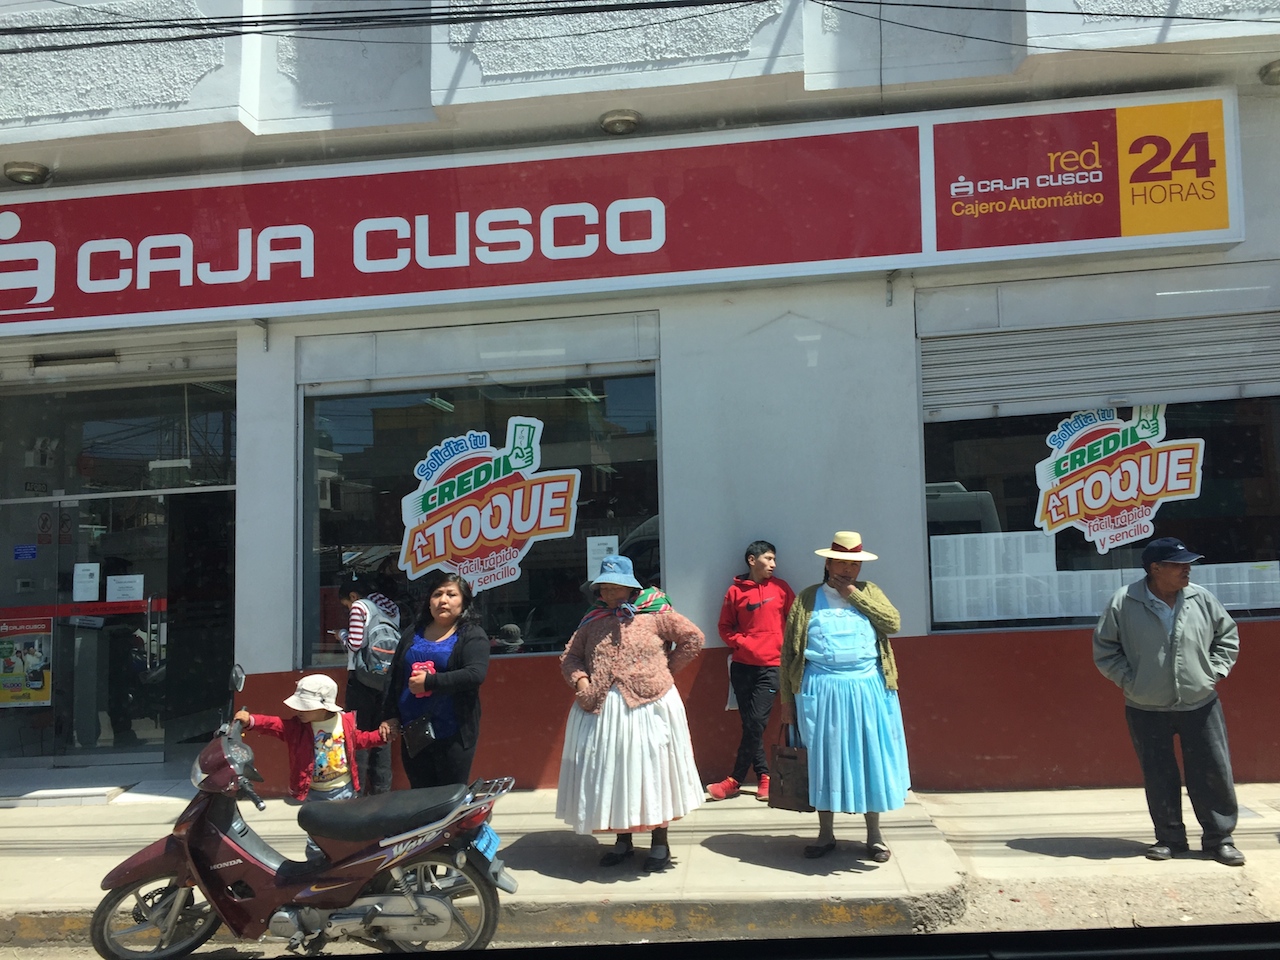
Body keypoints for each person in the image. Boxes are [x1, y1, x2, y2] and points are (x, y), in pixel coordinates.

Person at [1092, 537, 1244, 866]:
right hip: (1145, 706)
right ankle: (1170, 838)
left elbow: (1227, 636)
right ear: (1155, 568)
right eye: (1179, 564)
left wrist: (1212, 673)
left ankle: (1220, 839)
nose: (1187, 569)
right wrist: (1131, 682)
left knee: (1213, 772)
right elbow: (1105, 650)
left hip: (1200, 701)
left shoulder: (1201, 599)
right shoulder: (1124, 601)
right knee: (1159, 774)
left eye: (1188, 563)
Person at [556, 555, 704, 873]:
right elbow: (571, 657)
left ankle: (660, 844)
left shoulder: (655, 611)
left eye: (614, 587)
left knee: (653, 774)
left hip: (650, 707)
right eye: (603, 588)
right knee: (616, 776)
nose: (607, 594)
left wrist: (665, 672)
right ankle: (623, 841)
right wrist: (581, 681)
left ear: (630, 586)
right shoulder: (592, 620)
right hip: (603, 709)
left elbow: (693, 639)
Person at [779, 530, 909, 861]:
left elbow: (892, 623)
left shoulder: (870, 593)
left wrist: (853, 594)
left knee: (868, 759)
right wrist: (786, 705)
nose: (847, 570)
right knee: (825, 760)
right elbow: (789, 655)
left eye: (854, 564)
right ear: (828, 562)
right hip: (820, 691)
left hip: (867, 690)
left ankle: (875, 836)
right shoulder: (807, 599)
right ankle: (825, 834)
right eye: (841, 562)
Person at [235, 674, 390, 860]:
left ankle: (346, 866)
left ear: (325, 706)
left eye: (305, 706)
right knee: (316, 840)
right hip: (315, 794)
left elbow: (360, 739)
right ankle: (316, 873)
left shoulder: (345, 722)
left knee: (346, 834)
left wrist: (382, 737)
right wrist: (251, 720)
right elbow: (274, 724)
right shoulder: (296, 728)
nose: (298, 710)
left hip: (346, 790)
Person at [380, 571, 490, 789]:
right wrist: (390, 716)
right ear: (429, 601)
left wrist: (430, 682)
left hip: (453, 731)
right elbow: (395, 676)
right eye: (437, 594)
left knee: (450, 797)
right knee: (421, 797)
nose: (443, 600)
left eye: (451, 595)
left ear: (464, 602)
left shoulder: (472, 635)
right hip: (414, 731)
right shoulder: (413, 632)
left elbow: (475, 675)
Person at [707, 539, 795, 802]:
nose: (773, 565)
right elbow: (725, 628)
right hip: (743, 667)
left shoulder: (781, 589)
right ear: (752, 560)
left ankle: (733, 779)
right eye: (768, 558)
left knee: (756, 722)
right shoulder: (734, 592)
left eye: (774, 559)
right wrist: (744, 643)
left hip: (772, 667)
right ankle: (764, 777)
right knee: (750, 725)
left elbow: (795, 622)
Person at [334, 570, 401, 795]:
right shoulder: (391, 607)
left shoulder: (359, 607)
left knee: (358, 733)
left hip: (362, 680)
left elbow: (355, 643)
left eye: (346, 603)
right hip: (386, 678)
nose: (348, 607)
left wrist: (341, 634)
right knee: (383, 734)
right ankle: (382, 791)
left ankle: (358, 789)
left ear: (353, 596)